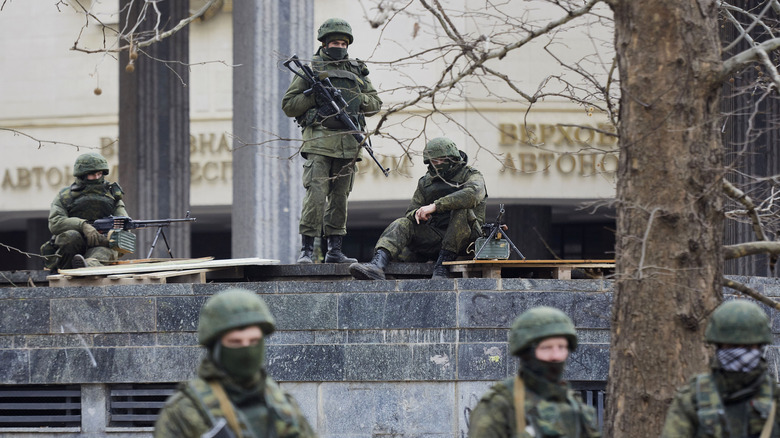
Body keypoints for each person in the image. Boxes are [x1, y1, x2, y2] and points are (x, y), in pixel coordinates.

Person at [282, 17, 382, 265]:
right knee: (316, 196)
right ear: (325, 44)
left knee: (339, 199)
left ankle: (334, 250)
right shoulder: (312, 69)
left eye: (343, 42)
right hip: (319, 142)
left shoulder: (357, 71)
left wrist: (355, 100)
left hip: (348, 144)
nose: (339, 46)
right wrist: (315, 97)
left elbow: (375, 104)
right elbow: (289, 105)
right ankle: (307, 250)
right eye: (335, 42)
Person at [154, 288, 316, 438]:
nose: (246, 351)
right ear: (215, 348)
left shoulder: (283, 405)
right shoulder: (184, 413)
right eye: (235, 342)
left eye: (253, 341)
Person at [349, 137, 487, 280]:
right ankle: (377, 265)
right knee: (402, 223)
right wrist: (418, 213)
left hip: (467, 240)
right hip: (436, 238)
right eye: (435, 161)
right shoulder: (426, 182)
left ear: (453, 158)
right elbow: (410, 212)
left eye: (443, 160)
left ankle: (442, 266)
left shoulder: (471, 175)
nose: (439, 164)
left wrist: (435, 206)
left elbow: (473, 195)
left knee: (462, 209)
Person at [468, 307, 601, 438]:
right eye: (546, 348)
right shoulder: (499, 406)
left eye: (562, 347)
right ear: (526, 353)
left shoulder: (574, 406)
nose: (556, 356)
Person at [661, 300, 780, 437]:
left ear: (760, 347)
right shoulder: (692, 398)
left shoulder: (775, 397)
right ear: (718, 346)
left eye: (748, 347)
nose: (739, 352)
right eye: (731, 346)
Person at [41, 152, 126, 270]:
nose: (96, 178)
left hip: (101, 246)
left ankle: (87, 266)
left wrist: (105, 238)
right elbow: (55, 222)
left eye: (99, 174)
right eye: (92, 174)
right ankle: (67, 269)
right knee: (71, 237)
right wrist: (83, 226)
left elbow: (123, 224)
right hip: (72, 247)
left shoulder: (112, 196)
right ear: (82, 175)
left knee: (102, 253)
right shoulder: (65, 196)